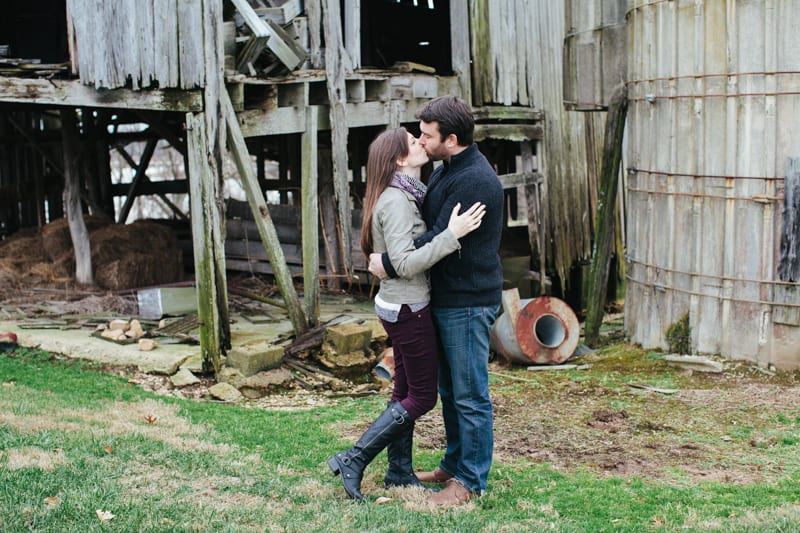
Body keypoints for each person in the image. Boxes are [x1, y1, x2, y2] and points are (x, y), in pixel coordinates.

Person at [327, 126, 486, 502]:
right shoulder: (397, 201)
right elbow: (405, 262)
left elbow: (395, 258)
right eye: (413, 141)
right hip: (408, 307)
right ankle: (355, 457)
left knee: (403, 391)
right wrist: (452, 234)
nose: (420, 141)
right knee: (422, 398)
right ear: (400, 159)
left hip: (399, 303)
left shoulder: (407, 194)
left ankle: (398, 471)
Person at [368, 96, 504, 507]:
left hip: (467, 302)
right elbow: (429, 229)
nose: (421, 142)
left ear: (452, 138)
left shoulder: (475, 181)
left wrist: (391, 263)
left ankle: (470, 482)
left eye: (428, 135)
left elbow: (436, 238)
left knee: (470, 393)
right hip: (443, 299)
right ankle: (454, 463)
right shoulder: (448, 169)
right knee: (449, 389)